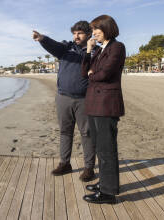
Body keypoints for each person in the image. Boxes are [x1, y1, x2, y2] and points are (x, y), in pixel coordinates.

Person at [32, 21, 97, 182]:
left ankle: (89, 168)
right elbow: (54, 46)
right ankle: (65, 163)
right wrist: (42, 38)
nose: (76, 36)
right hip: (63, 98)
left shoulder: (96, 51)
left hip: (85, 99)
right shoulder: (66, 48)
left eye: (80, 33)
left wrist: (89, 49)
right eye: (74, 33)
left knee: (87, 133)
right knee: (64, 132)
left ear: (89, 34)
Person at [81, 15, 125, 204]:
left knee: (107, 150)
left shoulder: (117, 47)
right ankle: (104, 184)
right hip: (94, 104)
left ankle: (108, 194)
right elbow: (85, 72)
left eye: (96, 29)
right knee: (100, 148)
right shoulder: (99, 50)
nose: (94, 33)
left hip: (106, 104)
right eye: (92, 30)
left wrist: (92, 74)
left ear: (106, 28)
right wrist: (89, 51)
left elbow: (105, 73)